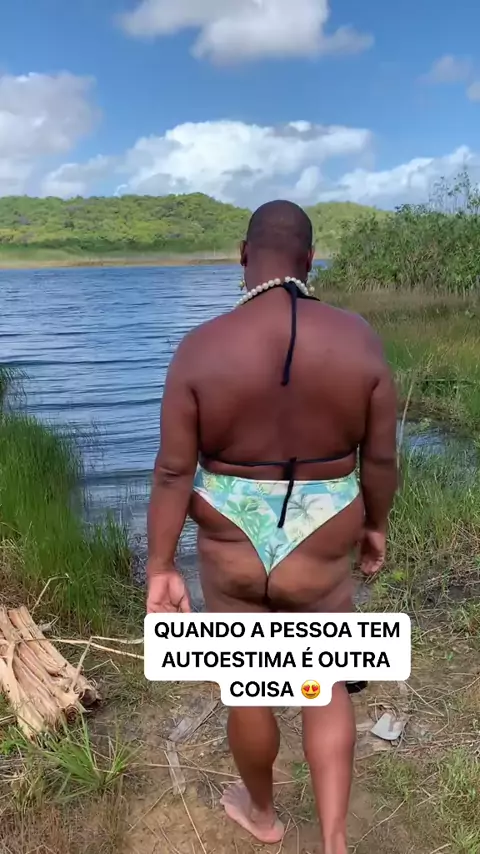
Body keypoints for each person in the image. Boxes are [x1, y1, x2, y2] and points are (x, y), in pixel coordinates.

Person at [146, 200, 398, 854]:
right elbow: (379, 460)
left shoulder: (200, 347)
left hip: (231, 531)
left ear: (242, 255)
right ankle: (335, 840)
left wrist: (161, 565)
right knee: (324, 679)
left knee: (250, 682)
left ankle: (262, 815)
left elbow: (173, 471)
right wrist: (375, 525)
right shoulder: (359, 340)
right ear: (309, 261)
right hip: (323, 526)